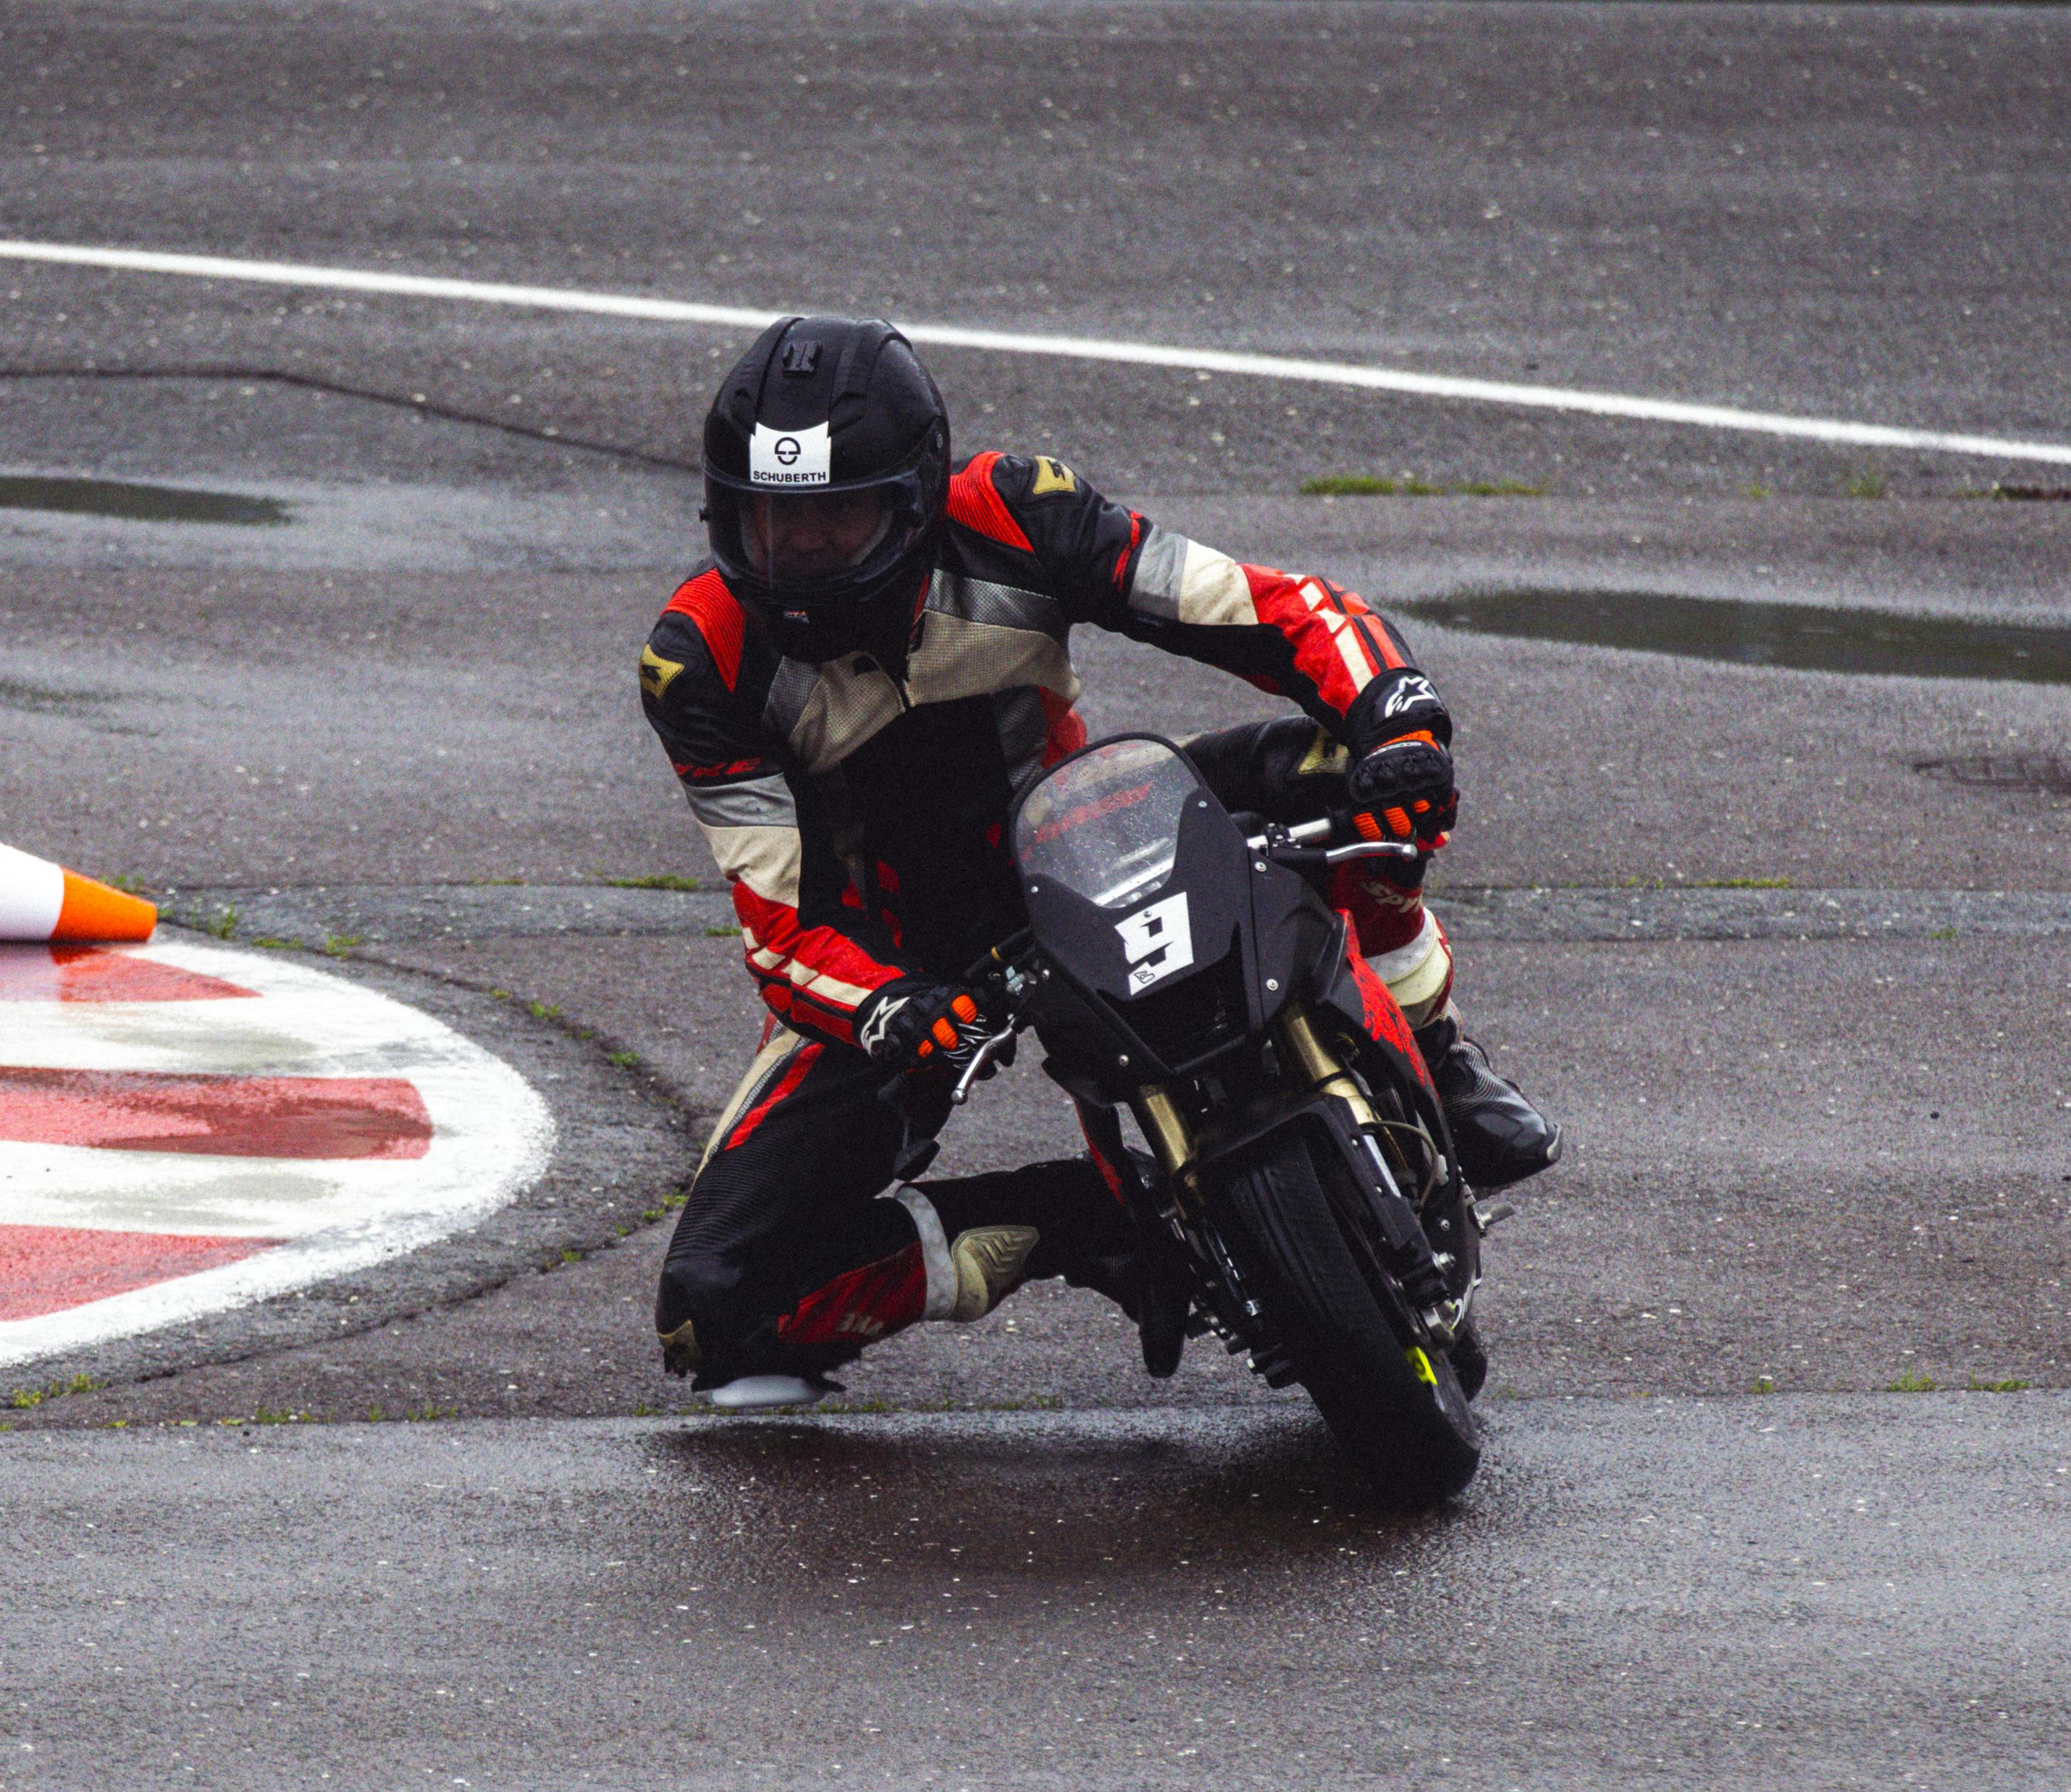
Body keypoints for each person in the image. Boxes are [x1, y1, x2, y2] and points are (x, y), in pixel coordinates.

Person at [637, 313, 1555, 1408]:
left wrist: (1395, 712)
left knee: (1358, 764)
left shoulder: (1019, 511)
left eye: (837, 521)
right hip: (904, 958)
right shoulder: (697, 661)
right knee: (717, 1311)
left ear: (917, 497)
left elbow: (1268, 607)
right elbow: (781, 927)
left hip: (1082, 834)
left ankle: (1436, 1051)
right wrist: (894, 1008)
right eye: (771, 524)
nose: (800, 555)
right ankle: (1081, 1219)